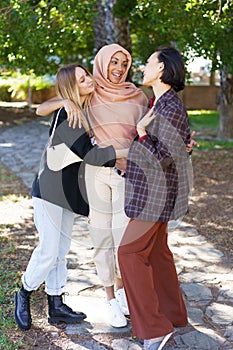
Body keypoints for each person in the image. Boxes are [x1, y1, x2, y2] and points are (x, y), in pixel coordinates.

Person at [36, 44, 148, 328]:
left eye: (124, 63)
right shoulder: (91, 90)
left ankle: (122, 294)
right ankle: (109, 299)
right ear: (101, 64)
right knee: (101, 241)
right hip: (97, 175)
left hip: (127, 176)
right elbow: (42, 107)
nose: (119, 68)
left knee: (124, 240)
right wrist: (66, 102)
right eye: (113, 62)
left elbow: (151, 130)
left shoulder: (137, 95)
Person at [14, 63, 128, 331]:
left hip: (68, 194)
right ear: (71, 87)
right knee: (49, 250)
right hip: (49, 192)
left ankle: (56, 305)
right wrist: (128, 153)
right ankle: (24, 292)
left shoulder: (82, 109)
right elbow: (93, 156)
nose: (88, 79)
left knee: (61, 252)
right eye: (81, 79)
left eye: (87, 74)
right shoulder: (69, 114)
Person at [118, 46, 191, 350]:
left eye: (148, 62)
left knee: (129, 254)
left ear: (162, 68)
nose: (143, 66)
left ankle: (154, 328)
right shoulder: (158, 102)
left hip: (155, 196)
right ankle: (172, 316)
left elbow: (163, 158)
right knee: (158, 255)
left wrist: (141, 132)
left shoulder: (169, 105)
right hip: (153, 194)